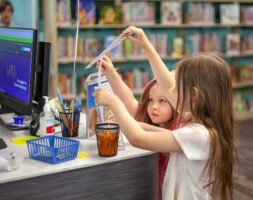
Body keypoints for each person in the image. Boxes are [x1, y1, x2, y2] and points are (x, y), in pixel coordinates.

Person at [94, 26, 237, 200]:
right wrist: (146, 47)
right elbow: (167, 94)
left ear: (194, 95)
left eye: (176, 89)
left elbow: (138, 139)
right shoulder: (201, 123)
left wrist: (113, 102)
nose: (170, 91)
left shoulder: (199, 133)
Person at [98, 55, 184, 199]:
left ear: (176, 103)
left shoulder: (180, 128)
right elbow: (129, 100)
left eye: (162, 101)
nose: (154, 107)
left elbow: (140, 136)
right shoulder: (150, 118)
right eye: (150, 100)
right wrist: (111, 73)